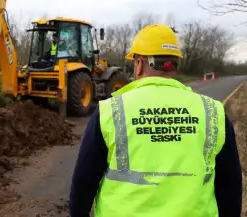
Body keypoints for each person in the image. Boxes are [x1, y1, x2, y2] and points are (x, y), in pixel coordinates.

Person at [69, 24, 242, 217]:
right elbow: (230, 187)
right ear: (175, 65)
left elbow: (84, 183)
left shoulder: (110, 111)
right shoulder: (213, 111)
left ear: (140, 64)